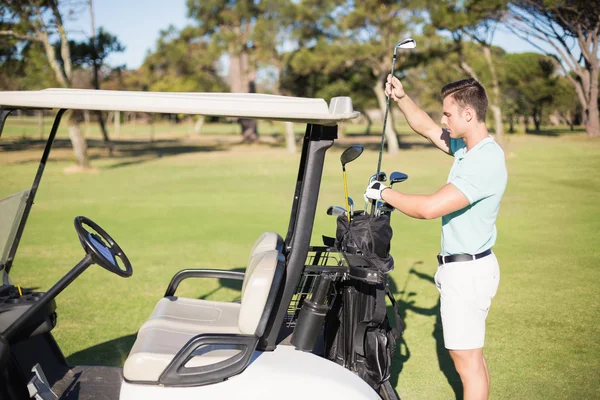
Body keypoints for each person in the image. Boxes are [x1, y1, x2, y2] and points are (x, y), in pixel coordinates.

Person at [364, 76, 507, 400]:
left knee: (466, 363)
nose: (444, 120)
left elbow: (429, 208)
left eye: (449, 114)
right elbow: (427, 128)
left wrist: (384, 192)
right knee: (472, 359)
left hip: (467, 272)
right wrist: (401, 97)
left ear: (468, 114)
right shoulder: (468, 149)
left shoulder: (484, 160)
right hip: (466, 268)